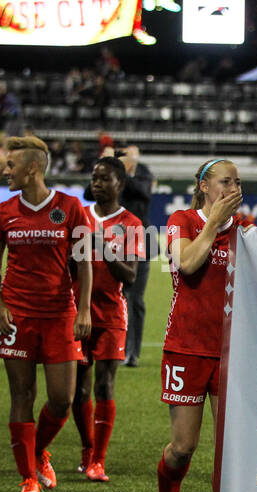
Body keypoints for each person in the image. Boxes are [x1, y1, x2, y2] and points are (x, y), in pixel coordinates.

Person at [0, 137, 93, 492]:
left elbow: (84, 263)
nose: (6, 172)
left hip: (60, 314)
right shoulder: (3, 213)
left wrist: (84, 308)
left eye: (11, 166)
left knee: (62, 398)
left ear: (32, 168)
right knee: (21, 395)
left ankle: (36, 449)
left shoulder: (69, 207)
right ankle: (27, 477)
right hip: (17, 315)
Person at [153, 158, 248, 492]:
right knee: (182, 448)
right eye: (225, 181)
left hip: (232, 351)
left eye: (238, 182)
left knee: (230, 446)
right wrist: (214, 224)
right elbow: (187, 263)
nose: (233, 188)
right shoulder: (182, 220)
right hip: (186, 348)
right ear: (205, 186)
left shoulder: (248, 229)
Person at [71, 157, 140, 482]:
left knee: (104, 384)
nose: (97, 183)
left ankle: (99, 460)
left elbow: (129, 275)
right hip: (77, 312)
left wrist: (102, 245)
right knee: (77, 391)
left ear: (120, 184)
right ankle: (87, 450)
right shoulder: (77, 216)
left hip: (111, 313)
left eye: (104, 179)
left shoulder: (131, 223)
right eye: (94, 178)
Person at [118, 145, 153, 367]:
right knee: (118, 297)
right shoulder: (114, 175)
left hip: (141, 242)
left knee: (135, 298)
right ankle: (118, 348)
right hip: (117, 242)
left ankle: (132, 352)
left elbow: (143, 192)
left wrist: (122, 172)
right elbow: (90, 193)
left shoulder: (143, 173)